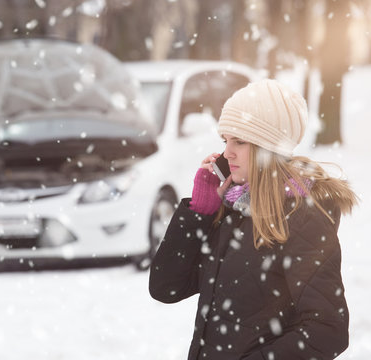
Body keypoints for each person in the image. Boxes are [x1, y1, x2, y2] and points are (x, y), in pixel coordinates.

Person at [149, 79, 358, 360]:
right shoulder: (233, 209)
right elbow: (166, 287)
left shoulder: (302, 217)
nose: (226, 153)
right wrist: (200, 210)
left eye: (240, 141)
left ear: (267, 147)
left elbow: (327, 330)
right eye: (225, 141)